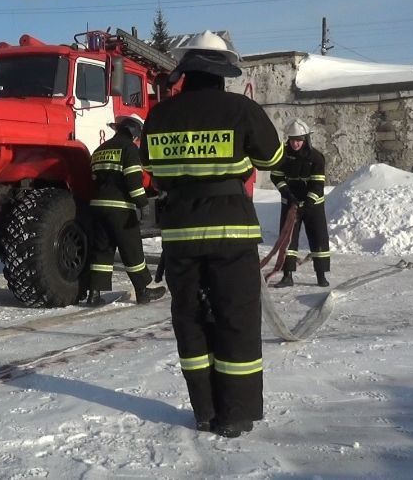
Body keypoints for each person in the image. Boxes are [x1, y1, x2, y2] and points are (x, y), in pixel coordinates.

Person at [138, 30, 284, 438]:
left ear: (187, 74)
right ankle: (234, 414)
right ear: (222, 75)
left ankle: (203, 410)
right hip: (230, 234)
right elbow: (270, 157)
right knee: (235, 319)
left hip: (181, 235)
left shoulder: (160, 116)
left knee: (191, 320)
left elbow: (154, 173)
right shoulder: (241, 109)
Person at [83, 113, 167, 305]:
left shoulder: (100, 149)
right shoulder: (129, 149)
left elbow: (93, 178)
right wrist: (143, 204)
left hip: (97, 207)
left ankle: (94, 294)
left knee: (102, 251)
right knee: (132, 249)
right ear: (134, 132)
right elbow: (133, 182)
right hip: (120, 208)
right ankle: (143, 290)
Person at [271, 118, 331, 287]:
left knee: (318, 237)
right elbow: (276, 176)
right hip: (290, 204)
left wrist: (308, 203)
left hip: (313, 204)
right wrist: (289, 197)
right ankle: (287, 276)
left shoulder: (317, 157)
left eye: (299, 140)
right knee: (288, 240)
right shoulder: (282, 155)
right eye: (292, 140)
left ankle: (320, 275)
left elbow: (318, 183)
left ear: (306, 139)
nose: (295, 144)